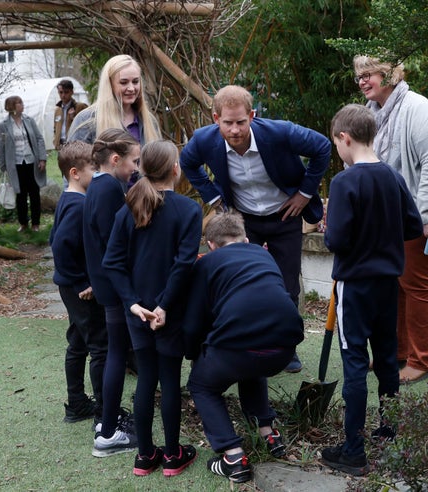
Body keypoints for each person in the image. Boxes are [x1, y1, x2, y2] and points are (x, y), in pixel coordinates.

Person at [180, 84, 331, 374]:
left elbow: (323, 147)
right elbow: (188, 163)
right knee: (237, 282)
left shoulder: (280, 132)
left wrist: (304, 193)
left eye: (240, 122)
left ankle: (286, 349)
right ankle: (243, 341)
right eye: (227, 123)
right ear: (215, 119)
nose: (235, 130)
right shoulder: (204, 140)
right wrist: (215, 199)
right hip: (244, 218)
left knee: (286, 285)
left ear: (252, 115)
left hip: (284, 215)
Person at [321, 104, 422, 476]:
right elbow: (412, 225)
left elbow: (335, 240)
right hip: (387, 285)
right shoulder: (392, 177)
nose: (338, 151)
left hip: (355, 286)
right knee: (387, 359)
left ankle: (354, 451)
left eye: (337, 144)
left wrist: (330, 226)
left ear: (344, 138)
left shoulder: (344, 182)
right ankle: (389, 433)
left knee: (355, 364)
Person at [353, 55, 428, 384]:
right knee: (394, 283)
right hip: (391, 215)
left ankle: (421, 359)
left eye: (369, 75)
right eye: (360, 76)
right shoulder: (372, 113)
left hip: (425, 212)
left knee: (417, 284)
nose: (363, 81)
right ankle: (396, 351)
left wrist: (422, 219)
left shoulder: (419, 109)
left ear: (390, 75)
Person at [102, 140, 201, 477]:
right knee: (170, 380)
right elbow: (184, 264)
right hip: (169, 312)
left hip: (138, 312)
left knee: (146, 378)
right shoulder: (188, 210)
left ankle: (145, 456)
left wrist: (133, 304)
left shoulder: (126, 208)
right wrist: (164, 307)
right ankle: (173, 455)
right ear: (176, 169)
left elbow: (112, 263)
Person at [184, 210, 304, 484]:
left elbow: (194, 320)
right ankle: (268, 433)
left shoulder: (208, 262)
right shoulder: (264, 254)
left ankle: (232, 455)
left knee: (202, 385)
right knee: (253, 361)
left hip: (237, 348)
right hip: (284, 346)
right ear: (246, 239)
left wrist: (194, 353)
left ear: (210, 245)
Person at [83, 128, 141, 458]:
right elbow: (113, 246)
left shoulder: (102, 186)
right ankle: (108, 432)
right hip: (113, 285)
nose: (136, 168)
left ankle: (108, 420)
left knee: (115, 353)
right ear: (116, 159)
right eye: (133, 161)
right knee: (115, 354)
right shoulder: (108, 190)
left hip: (106, 282)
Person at [49, 141, 107, 427]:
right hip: (79, 288)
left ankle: (77, 402)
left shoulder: (68, 199)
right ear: (75, 172)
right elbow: (59, 246)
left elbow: (53, 239)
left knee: (78, 341)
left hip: (69, 285)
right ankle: (103, 411)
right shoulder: (80, 205)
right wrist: (82, 281)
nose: (97, 174)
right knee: (99, 345)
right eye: (93, 169)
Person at [68, 54, 160, 147]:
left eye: (135, 81)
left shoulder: (149, 122)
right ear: (109, 85)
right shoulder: (87, 121)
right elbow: (73, 160)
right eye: (124, 82)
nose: (131, 88)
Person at [0, 95, 48, 232]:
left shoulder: (29, 120)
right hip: (15, 164)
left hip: (31, 162)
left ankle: (36, 223)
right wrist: (3, 166)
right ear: (12, 106)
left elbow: (39, 139)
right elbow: (1, 146)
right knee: (20, 194)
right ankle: (23, 223)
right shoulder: (4, 125)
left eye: (21, 102)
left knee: (34, 193)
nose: (22, 105)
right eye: (19, 103)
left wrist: (42, 158)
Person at [53, 79, 88, 151]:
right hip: (61, 146)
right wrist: (55, 142)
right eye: (61, 92)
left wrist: (73, 118)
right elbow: (55, 128)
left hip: (75, 145)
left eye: (66, 92)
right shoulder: (58, 110)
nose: (63, 95)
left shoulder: (80, 107)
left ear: (72, 92)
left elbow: (87, 126)